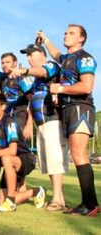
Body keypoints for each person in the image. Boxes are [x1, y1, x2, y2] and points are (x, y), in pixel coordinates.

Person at [38, 24, 100, 217]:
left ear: (81, 39)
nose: (66, 35)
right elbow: (56, 53)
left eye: (71, 33)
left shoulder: (85, 57)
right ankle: (88, 203)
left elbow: (87, 86)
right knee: (76, 155)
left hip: (80, 107)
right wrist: (45, 39)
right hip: (67, 108)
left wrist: (60, 89)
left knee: (79, 154)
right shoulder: (66, 59)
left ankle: (90, 204)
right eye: (65, 32)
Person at [11, 43, 69, 211]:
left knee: (55, 160)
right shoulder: (35, 80)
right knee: (50, 162)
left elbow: (43, 72)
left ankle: (57, 200)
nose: (28, 58)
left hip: (53, 119)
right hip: (41, 123)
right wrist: (29, 122)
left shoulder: (50, 65)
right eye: (27, 56)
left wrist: (24, 71)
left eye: (31, 55)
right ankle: (60, 199)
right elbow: (31, 100)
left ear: (42, 55)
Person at [0, 93, 45, 212]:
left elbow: (13, 150)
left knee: (6, 158)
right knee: (1, 201)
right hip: (10, 164)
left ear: (3, 107)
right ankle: (37, 191)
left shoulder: (9, 121)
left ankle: (11, 201)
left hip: (25, 159)